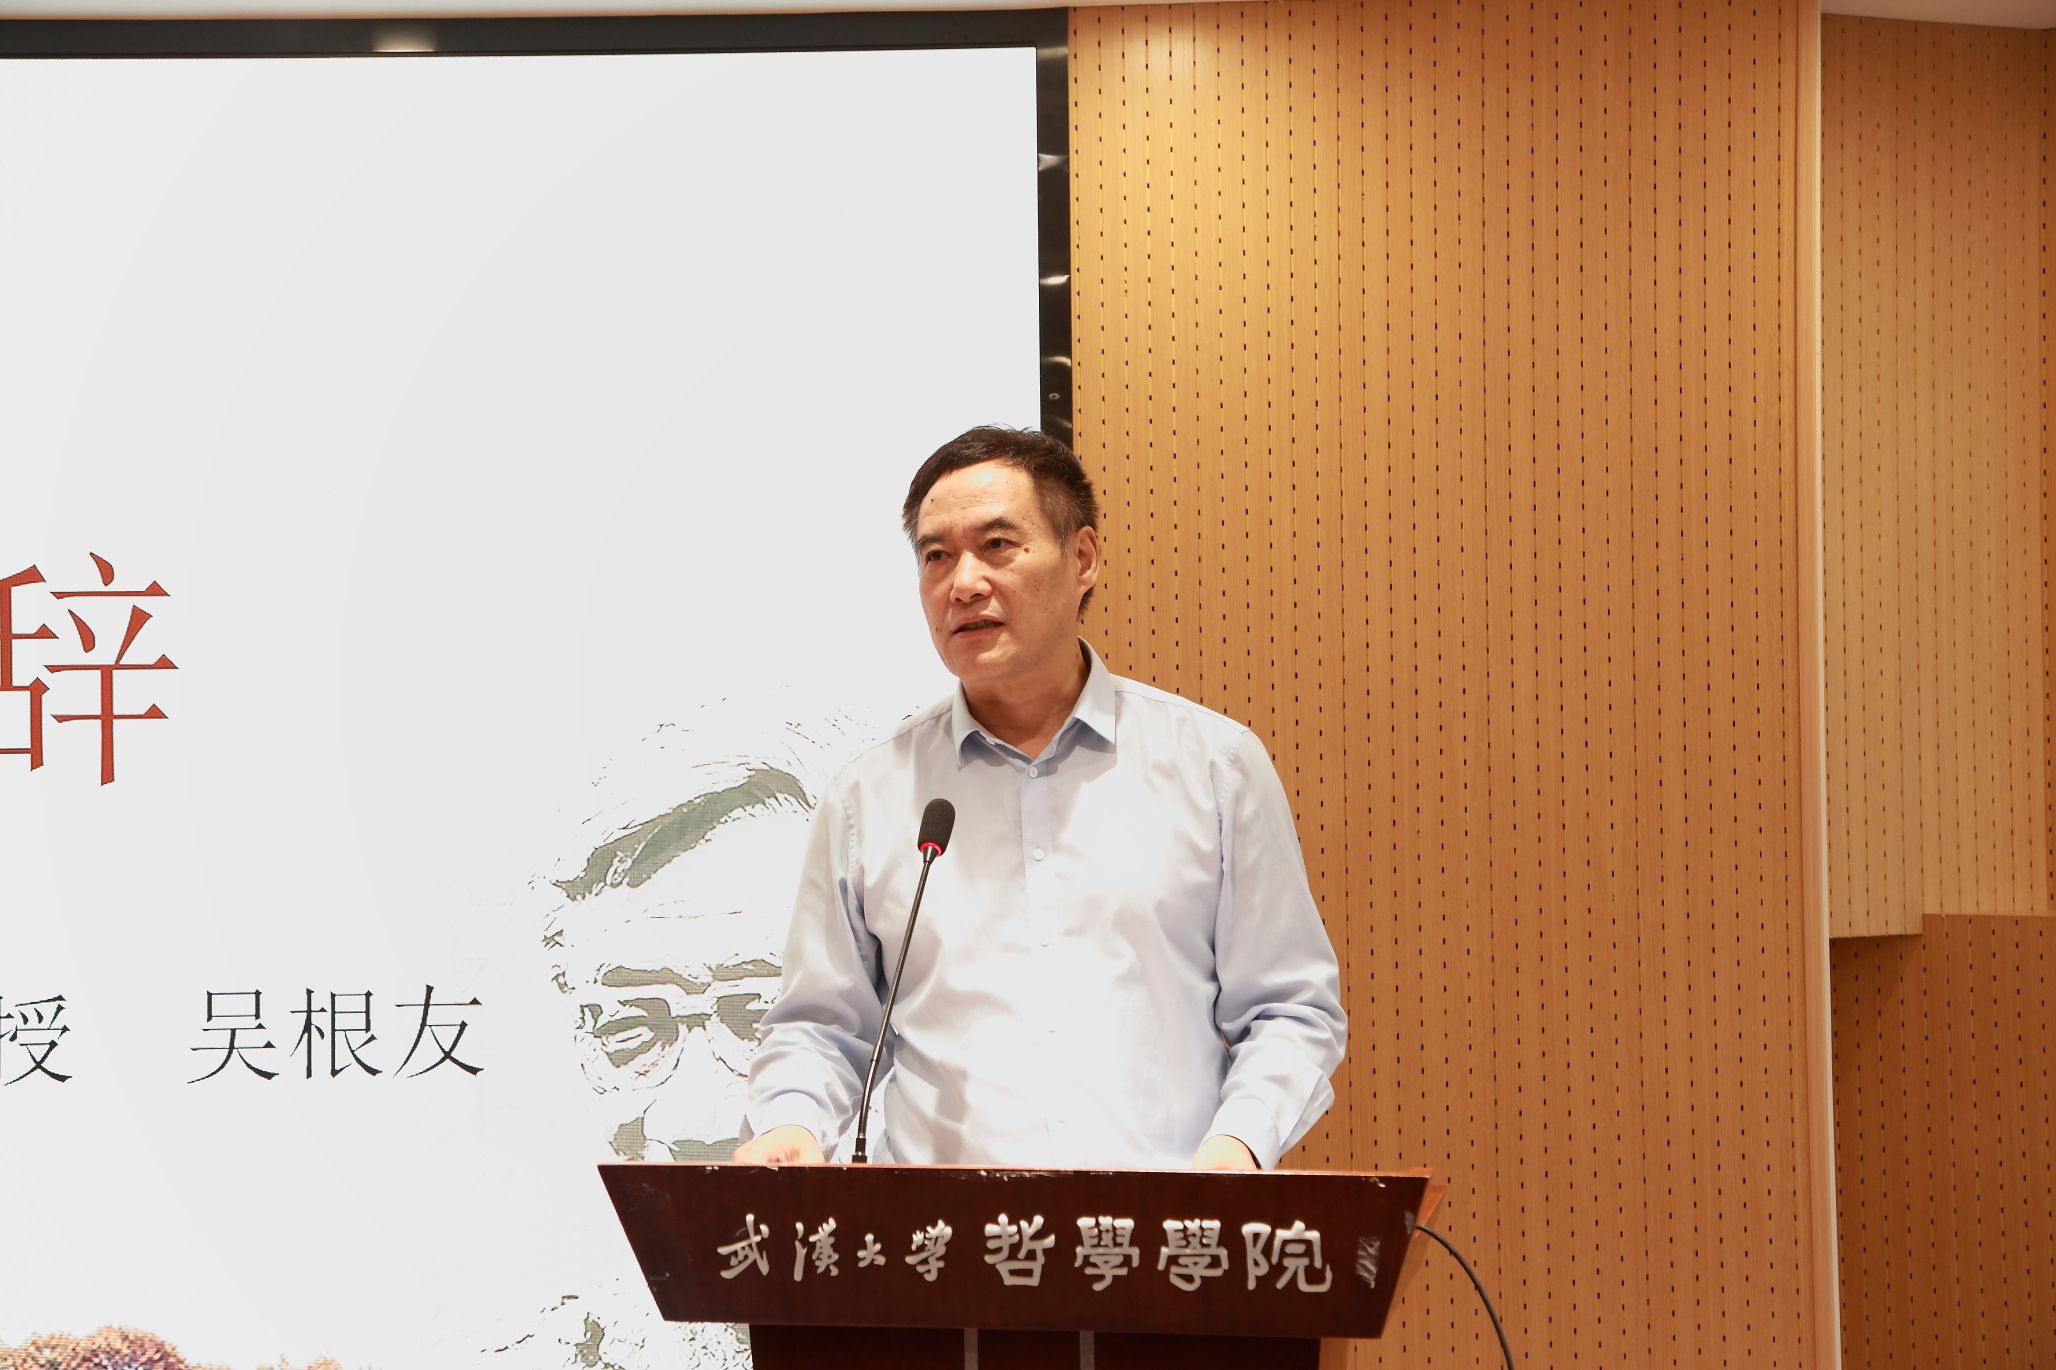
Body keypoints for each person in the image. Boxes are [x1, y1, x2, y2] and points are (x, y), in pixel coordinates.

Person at [733, 426, 1345, 1171]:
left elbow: (1289, 1009)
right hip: (940, 1234)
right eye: (935, 556)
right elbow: (821, 1028)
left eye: (996, 545)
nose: (963, 583)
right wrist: (793, 1123)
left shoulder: (1215, 767)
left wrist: (1238, 1145)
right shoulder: (869, 797)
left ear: (1082, 558)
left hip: (1156, 1225)